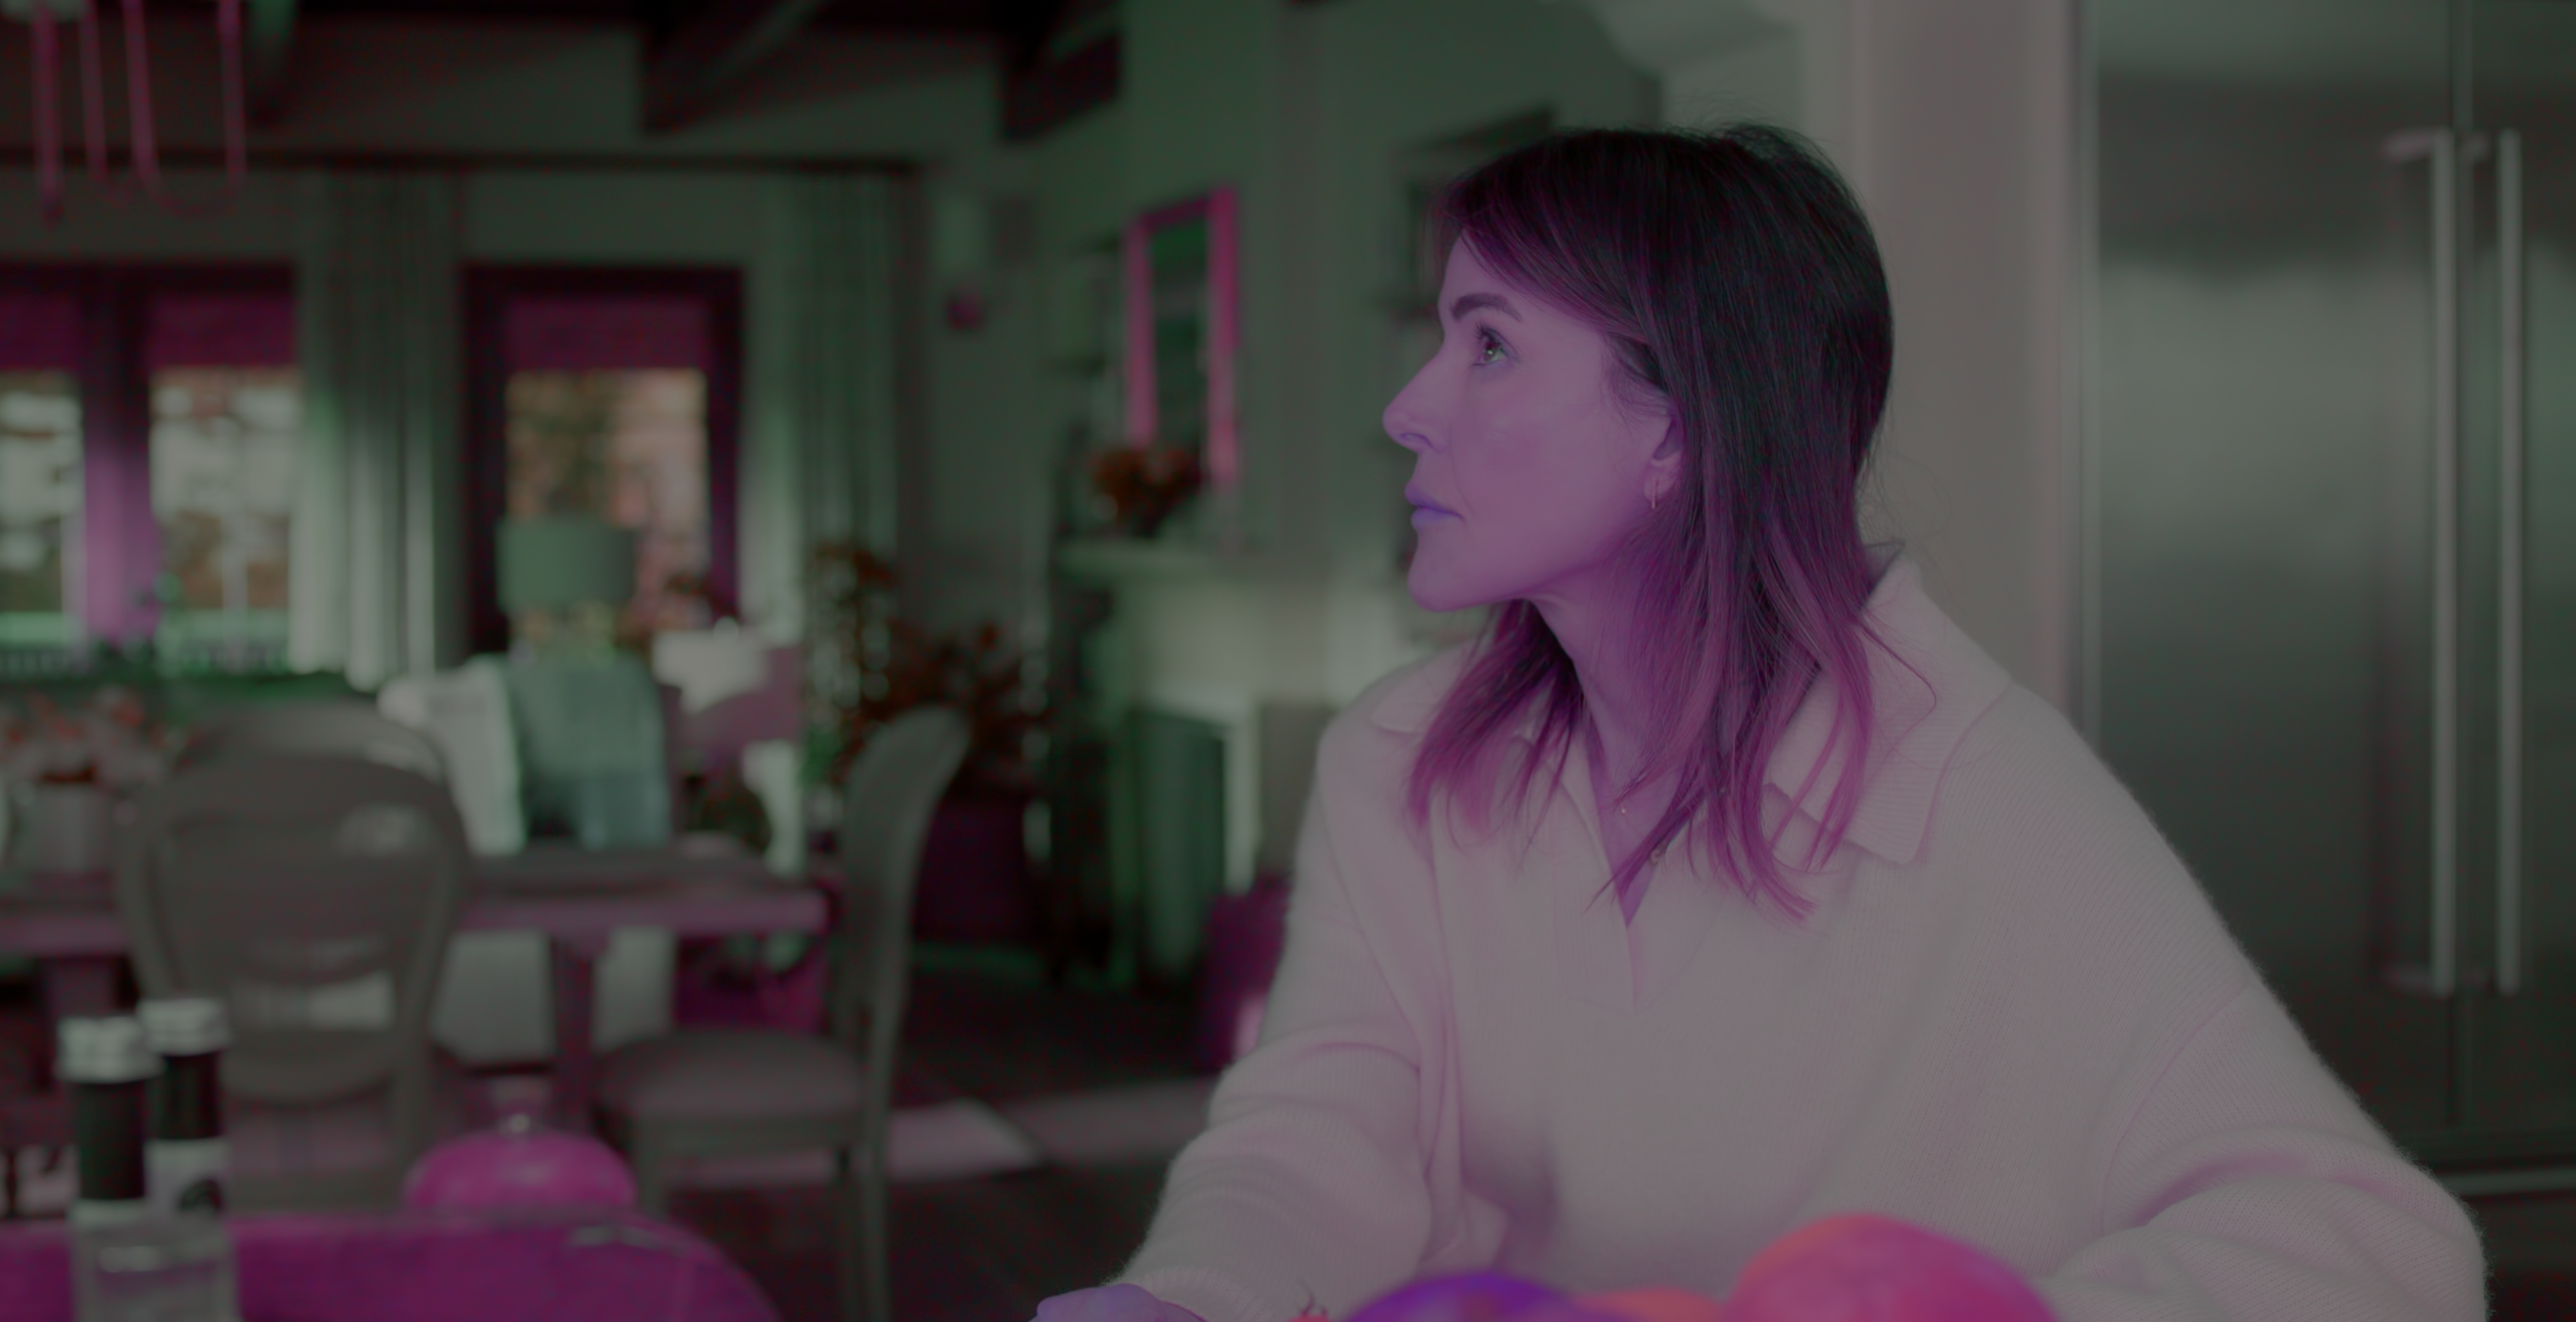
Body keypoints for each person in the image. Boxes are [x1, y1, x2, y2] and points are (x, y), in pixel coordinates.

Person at [1035, 125, 2484, 1322]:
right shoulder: (1400, 758)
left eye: (1489, 346)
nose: (1410, 407)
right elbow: (1322, 1128)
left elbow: (2377, 1253)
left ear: (1678, 425)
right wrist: (1189, 1298)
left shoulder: (1975, 785)